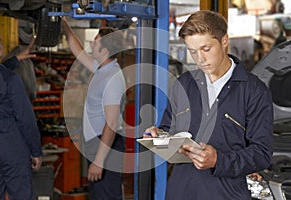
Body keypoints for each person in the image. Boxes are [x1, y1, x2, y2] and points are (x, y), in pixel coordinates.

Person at [144, 10, 273, 200]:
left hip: (226, 194)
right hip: (180, 192)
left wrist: (219, 160)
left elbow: (262, 153)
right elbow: (168, 129)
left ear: (224, 40)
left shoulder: (254, 91)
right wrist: (158, 136)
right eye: (193, 51)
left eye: (206, 49)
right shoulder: (184, 84)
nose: (200, 59)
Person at [62, 18, 126, 199]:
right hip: (99, 143)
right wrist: (64, 24)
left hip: (106, 146)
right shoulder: (102, 69)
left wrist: (99, 161)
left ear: (104, 51)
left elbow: (112, 122)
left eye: (95, 41)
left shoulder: (112, 78)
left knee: (106, 195)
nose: (91, 43)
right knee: (99, 194)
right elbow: (79, 51)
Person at [0, 29, 42, 199]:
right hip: (11, 146)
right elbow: (25, 118)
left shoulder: (5, 76)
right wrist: (35, 150)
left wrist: (16, 60)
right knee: (20, 194)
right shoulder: (10, 79)